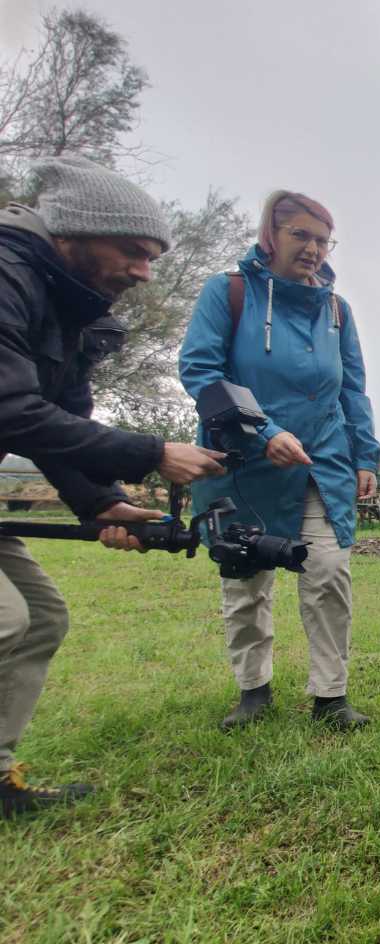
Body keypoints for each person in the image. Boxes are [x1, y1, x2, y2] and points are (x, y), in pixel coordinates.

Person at [1, 157, 227, 817]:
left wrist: (101, 502)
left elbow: (61, 427)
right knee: (6, 619)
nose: (144, 271)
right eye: (132, 251)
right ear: (73, 232)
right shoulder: (10, 275)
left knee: (41, 617)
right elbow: (12, 411)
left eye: (153, 257)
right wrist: (152, 453)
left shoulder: (67, 309)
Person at [179, 190, 380, 732]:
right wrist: (264, 431)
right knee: (246, 579)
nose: (313, 249)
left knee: (328, 574)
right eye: (301, 236)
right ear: (271, 235)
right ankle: (253, 690)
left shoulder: (337, 311)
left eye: (322, 239)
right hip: (243, 465)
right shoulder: (229, 293)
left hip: (322, 462)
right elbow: (200, 371)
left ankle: (330, 697)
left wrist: (365, 454)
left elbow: (353, 390)